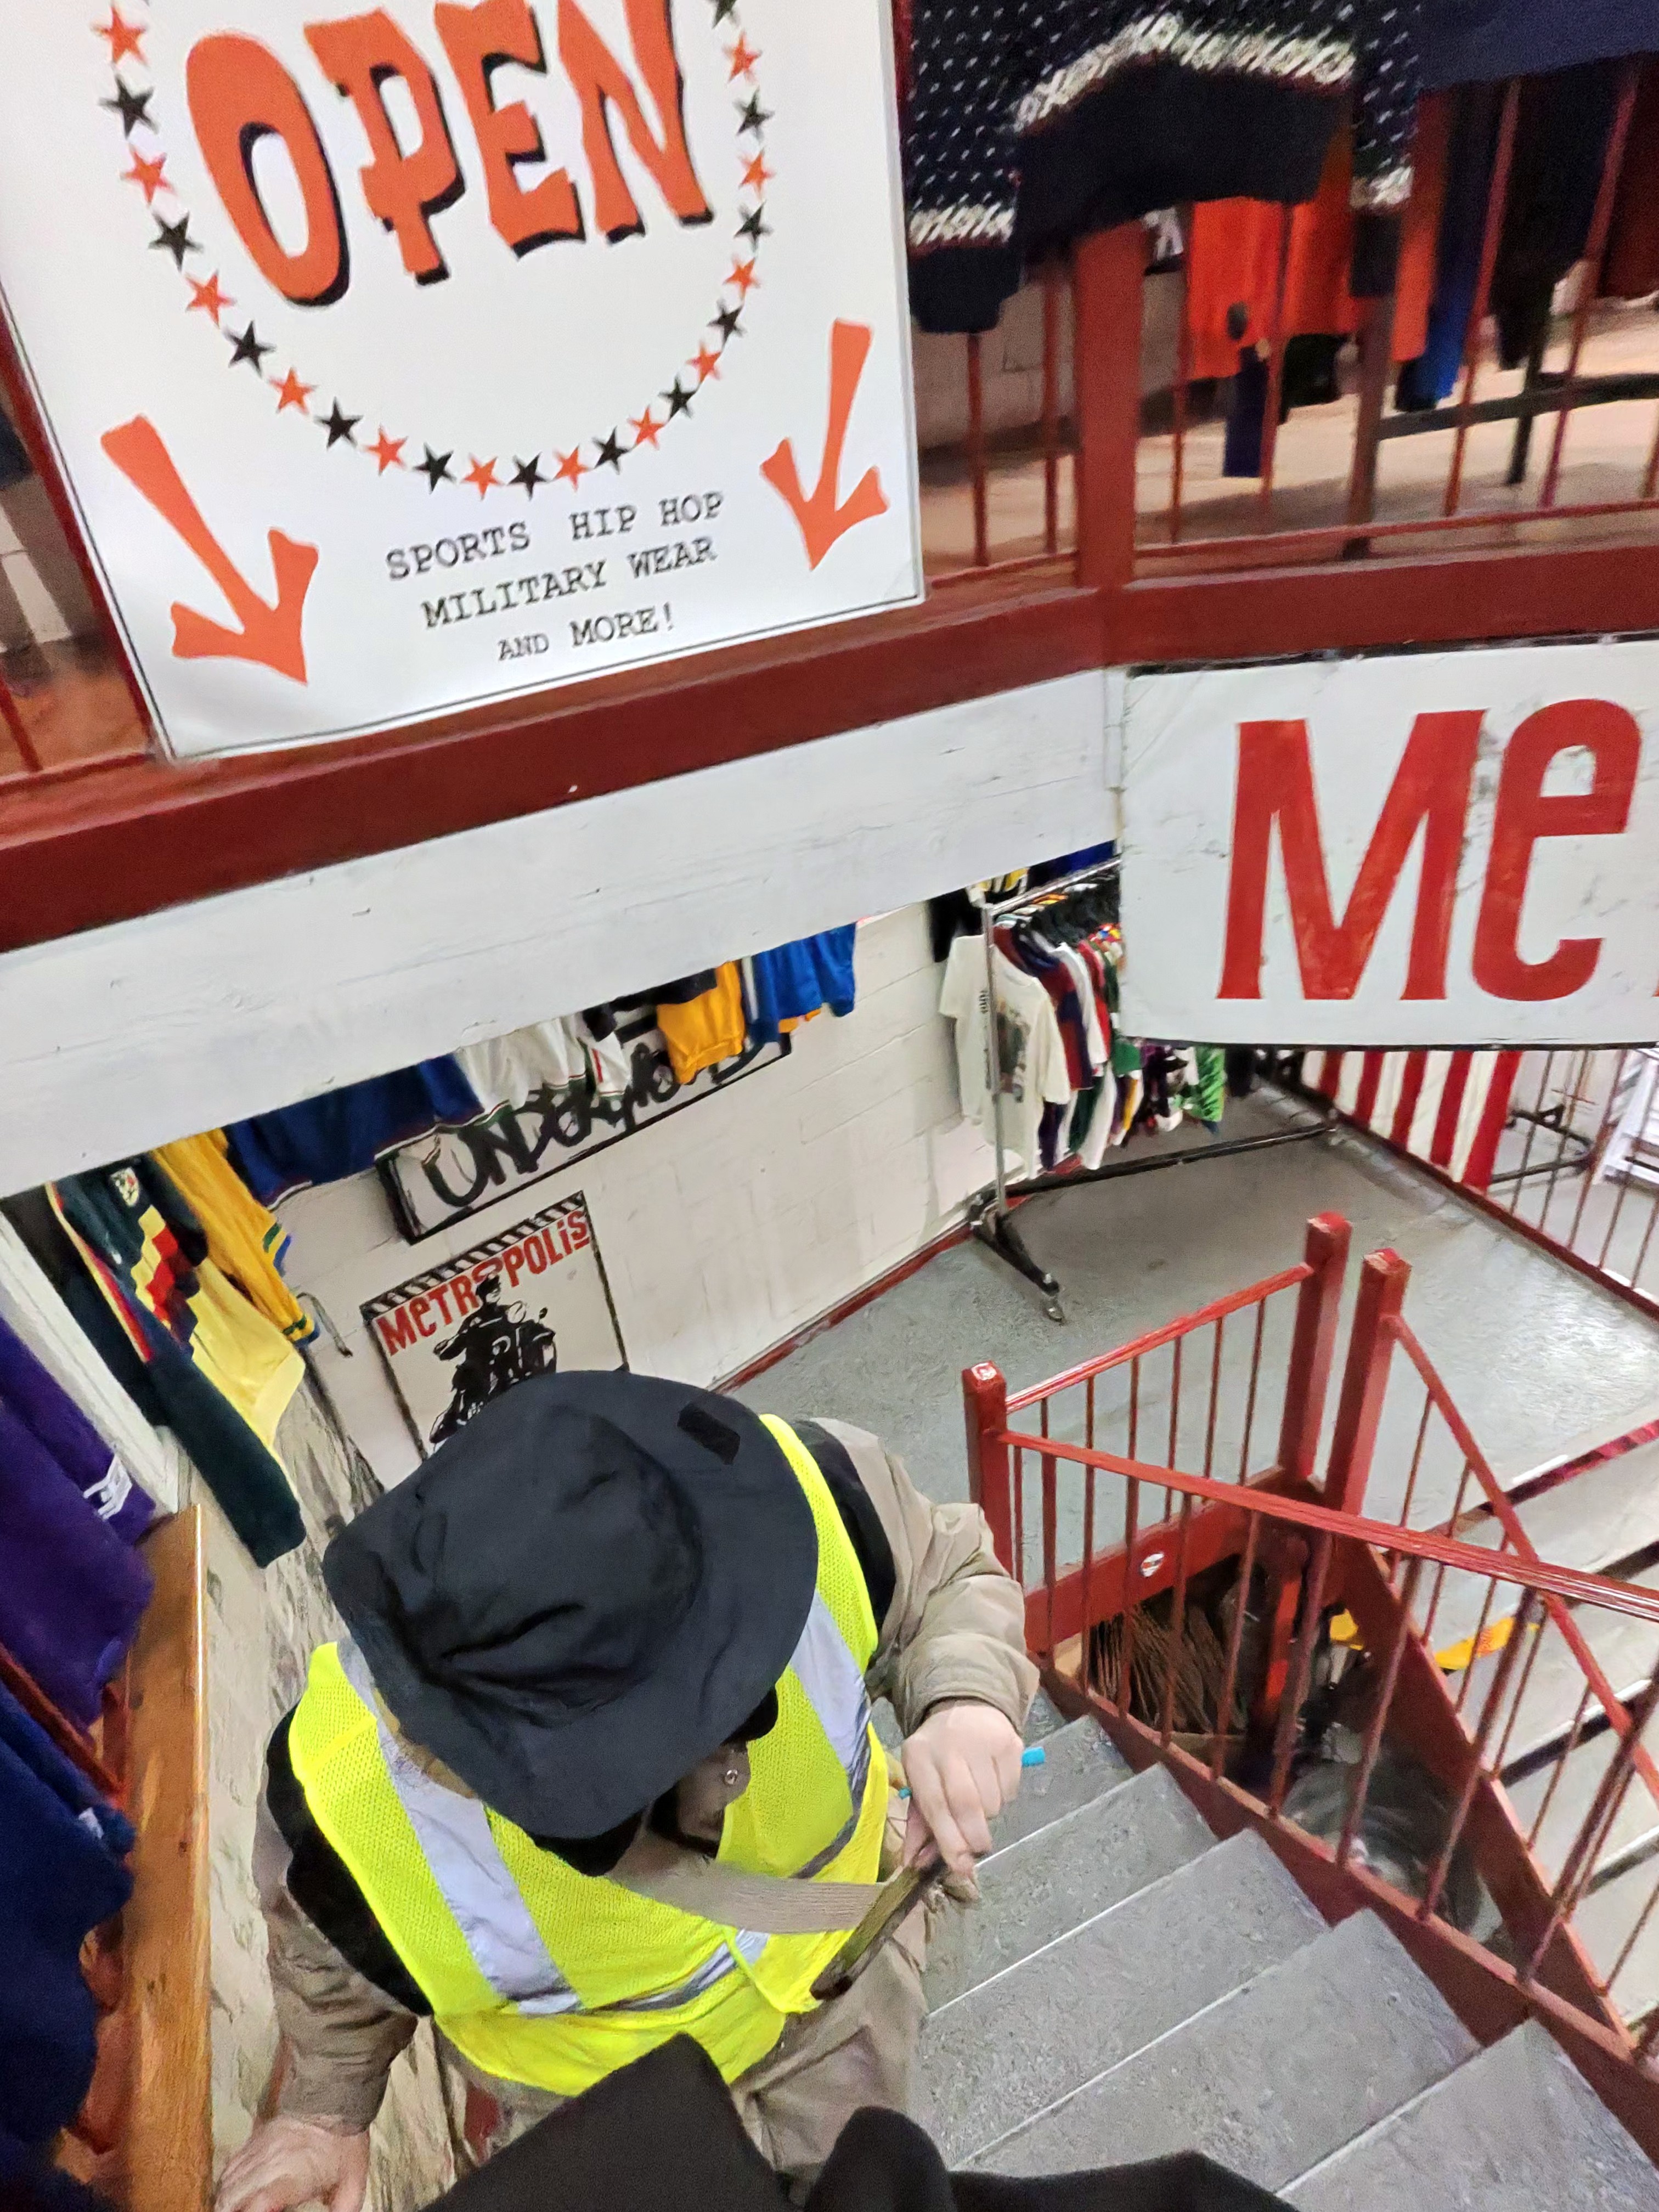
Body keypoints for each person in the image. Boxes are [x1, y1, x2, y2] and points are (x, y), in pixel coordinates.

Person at [217, 1371, 1036, 2212]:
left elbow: (945, 1569)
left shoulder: (816, 1500)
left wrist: (967, 1699)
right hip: (609, 2120)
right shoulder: (347, 1806)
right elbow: (335, 1969)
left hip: (848, 2007)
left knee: (864, 2183)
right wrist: (323, 2115)